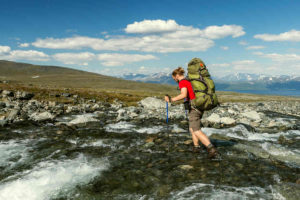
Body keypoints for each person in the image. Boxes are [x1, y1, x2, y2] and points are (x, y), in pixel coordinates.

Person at [164, 67, 218, 158]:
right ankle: (196, 147)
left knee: (196, 130)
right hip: (198, 106)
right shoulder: (188, 80)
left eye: (174, 78)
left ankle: (212, 149)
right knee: (192, 128)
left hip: (194, 108)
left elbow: (184, 94)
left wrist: (171, 99)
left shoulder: (182, 82)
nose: (174, 80)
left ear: (176, 75)